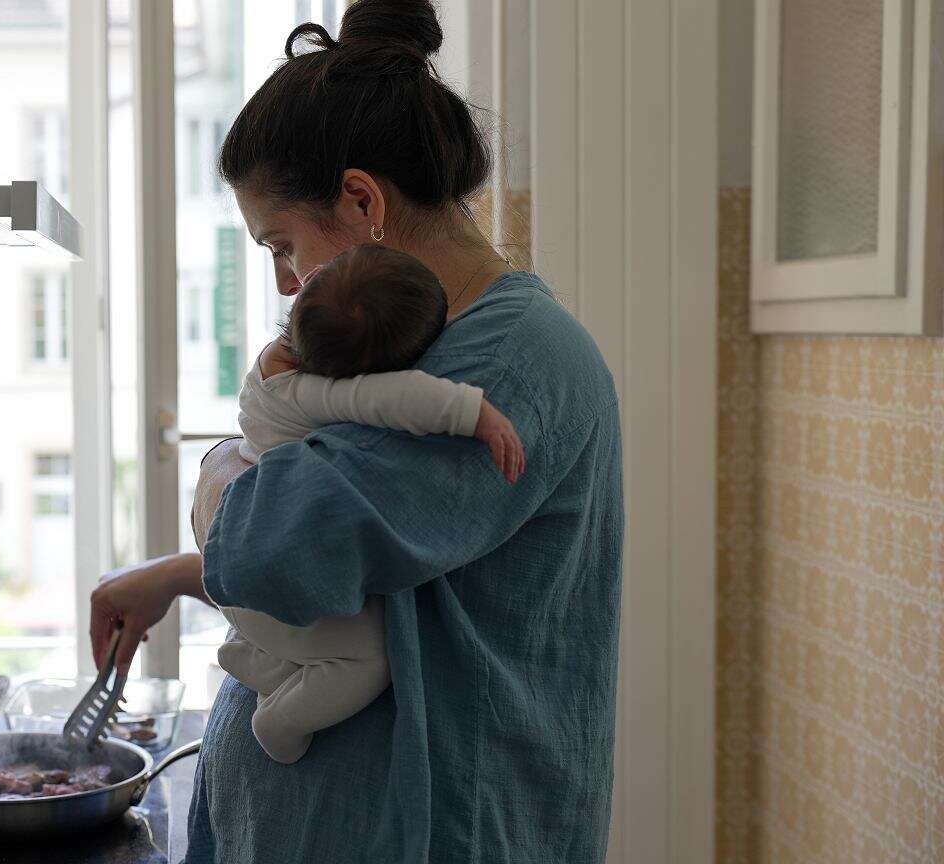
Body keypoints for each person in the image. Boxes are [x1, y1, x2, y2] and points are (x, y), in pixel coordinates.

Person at [89, 0, 623, 860]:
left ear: (363, 202)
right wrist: (184, 572)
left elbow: (276, 549)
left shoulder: (511, 357)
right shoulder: (421, 350)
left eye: (282, 245)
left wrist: (220, 475)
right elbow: (356, 552)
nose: (288, 285)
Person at [220, 242, 525, 765]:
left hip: (249, 585)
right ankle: (278, 720)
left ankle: (258, 660)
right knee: (370, 658)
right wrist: (475, 413)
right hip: (267, 586)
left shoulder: (271, 370)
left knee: (323, 644)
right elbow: (397, 397)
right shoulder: (317, 394)